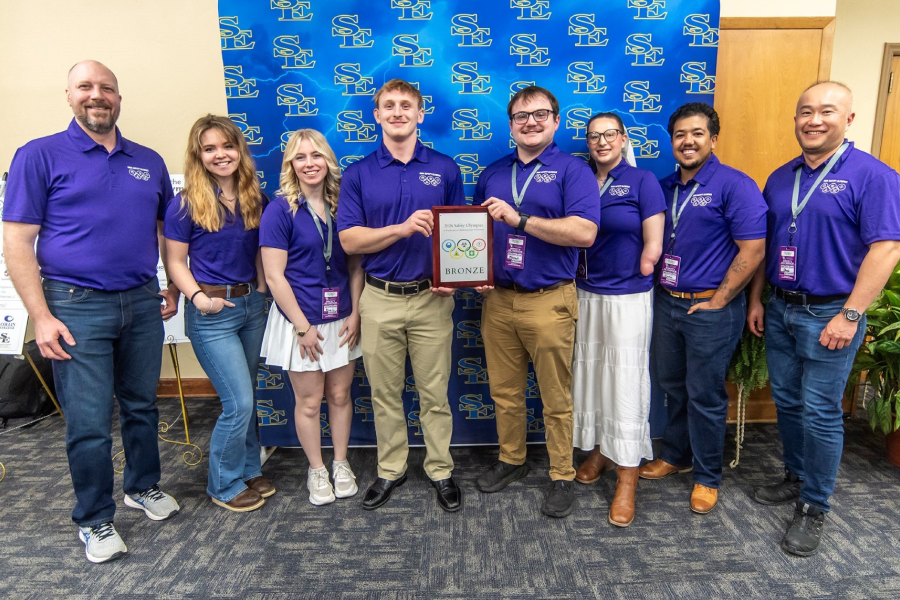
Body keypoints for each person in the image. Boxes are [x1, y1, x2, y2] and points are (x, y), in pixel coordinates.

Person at [2, 60, 180, 563]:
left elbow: (167, 229)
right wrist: (41, 315)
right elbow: (16, 240)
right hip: (74, 307)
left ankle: (142, 486)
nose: (97, 96)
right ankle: (95, 518)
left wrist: (170, 285)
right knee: (88, 420)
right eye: (86, 87)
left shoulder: (146, 159)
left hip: (143, 300)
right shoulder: (38, 156)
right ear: (69, 95)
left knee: (143, 406)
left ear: (119, 98)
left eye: (107, 88)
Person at [747, 81, 900, 556]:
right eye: (805, 112)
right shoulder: (781, 177)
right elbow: (767, 246)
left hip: (832, 313)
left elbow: (887, 248)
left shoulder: (873, 176)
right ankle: (796, 475)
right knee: (789, 403)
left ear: (849, 119)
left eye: (827, 111)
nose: (814, 120)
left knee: (820, 411)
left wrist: (851, 315)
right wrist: (757, 300)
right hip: (781, 306)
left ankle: (815, 506)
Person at [337, 79, 465, 512]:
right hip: (379, 298)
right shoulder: (357, 173)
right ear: (376, 115)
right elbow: (351, 242)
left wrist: (456, 277)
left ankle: (440, 469)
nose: (397, 112)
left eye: (405, 105)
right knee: (384, 394)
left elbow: (457, 233)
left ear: (420, 113)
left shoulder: (445, 168)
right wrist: (402, 228)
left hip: (432, 298)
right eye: (388, 106)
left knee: (434, 393)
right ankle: (390, 469)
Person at [473, 85, 600, 518]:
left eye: (540, 114)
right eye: (522, 116)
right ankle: (512, 459)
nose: (531, 121)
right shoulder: (492, 173)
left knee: (555, 395)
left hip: (550, 299)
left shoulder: (573, 170)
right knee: (505, 392)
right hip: (499, 300)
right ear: (510, 125)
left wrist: (521, 219)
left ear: (556, 121)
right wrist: (475, 273)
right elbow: (476, 234)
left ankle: (562, 473)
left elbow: (584, 233)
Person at [639, 103, 767, 515]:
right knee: (673, 386)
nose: (687, 141)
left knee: (706, 395)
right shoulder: (662, 187)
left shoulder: (735, 185)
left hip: (711, 308)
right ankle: (676, 455)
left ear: (713, 138)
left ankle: (707, 477)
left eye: (696, 133)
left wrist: (719, 301)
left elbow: (754, 249)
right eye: (679, 134)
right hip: (668, 304)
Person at [164, 115, 273, 513]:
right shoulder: (186, 203)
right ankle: (223, 484)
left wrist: (261, 291)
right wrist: (197, 298)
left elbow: (263, 252)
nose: (220, 155)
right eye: (209, 148)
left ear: (239, 150)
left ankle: (246, 467)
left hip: (250, 307)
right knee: (238, 401)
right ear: (199, 155)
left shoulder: (255, 198)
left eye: (227, 146)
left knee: (248, 394)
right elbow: (174, 261)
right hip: (212, 311)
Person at [571, 112, 665, 527]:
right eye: (594, 136)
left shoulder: (642, 180)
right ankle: (601, 451)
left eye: (609, 134)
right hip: (584, 294)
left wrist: (635, 274)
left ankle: (627, 475)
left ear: (624, 138)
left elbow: (653, 246)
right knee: (590, 378)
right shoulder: (579, 179)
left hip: (627, 297)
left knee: (625, 382)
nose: (601, 141)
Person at [260, 129, 363, 507]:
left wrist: (355, 313)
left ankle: (340, 463)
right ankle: (316, 469)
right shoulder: (280, 209)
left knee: (339, 395)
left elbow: (355, 267)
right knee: (309, 402)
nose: (309, 164)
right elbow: (274, 276)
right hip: (299, 321)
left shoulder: (343, 206)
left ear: (328, 161)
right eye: (300, 157)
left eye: (316, 156)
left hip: (341, 319)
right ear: (291, 164)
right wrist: (302, 327)